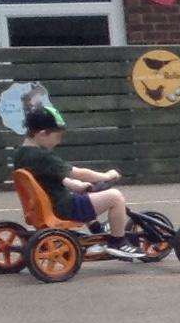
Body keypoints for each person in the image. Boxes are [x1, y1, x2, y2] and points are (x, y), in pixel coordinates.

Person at [10, 104, 145, 259]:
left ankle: (96, 229)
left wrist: (75, 185)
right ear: (42, 134)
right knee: (115, 197)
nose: (59, 141)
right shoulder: (44, 157)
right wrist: (105, 176)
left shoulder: (21, 155)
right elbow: (79, 173)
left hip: (44, 206)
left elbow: (46, 178)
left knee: (82, 192)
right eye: (58, 136)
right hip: (63, 208)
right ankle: (118, 242)